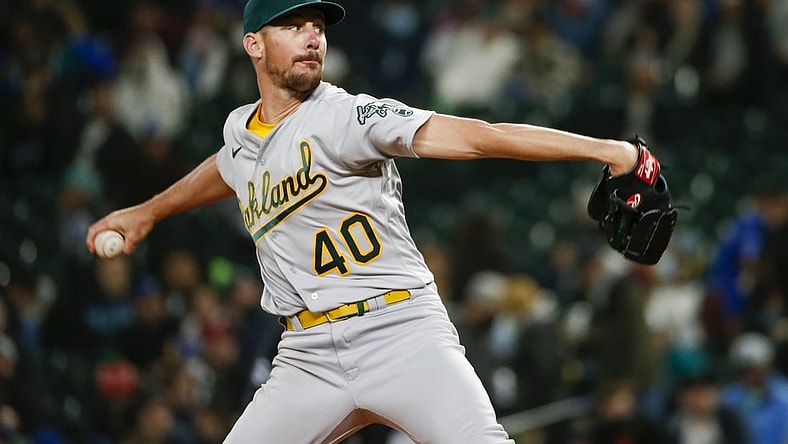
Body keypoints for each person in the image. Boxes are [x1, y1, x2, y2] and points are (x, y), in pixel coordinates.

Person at [85, 0, 641, 442]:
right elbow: (226, 168)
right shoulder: (239, 133)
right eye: (292, 25)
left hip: (401, 332)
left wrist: (608, 151)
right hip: (306, 357)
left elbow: (480, 137)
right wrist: (147, 212)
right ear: (253, 44)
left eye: (317, 26)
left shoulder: (348, 117)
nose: (312, 36)